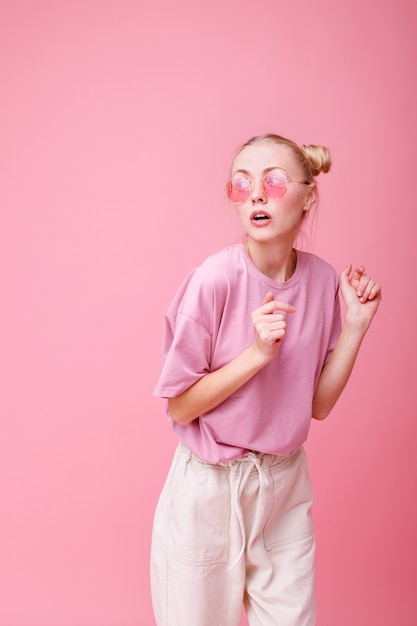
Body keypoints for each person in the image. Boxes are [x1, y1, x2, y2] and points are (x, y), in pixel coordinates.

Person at [150, 133, 381, 626]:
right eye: (242, 184)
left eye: (273, 181)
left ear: (308, 195)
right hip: (209, 491)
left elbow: (316, 405)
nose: (255, 193)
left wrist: (357, 324)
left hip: (283, 484)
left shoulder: (322, 281)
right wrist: (256, 355)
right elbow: (180, 407)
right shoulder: (213, 280)